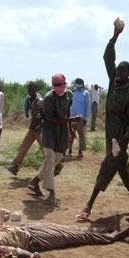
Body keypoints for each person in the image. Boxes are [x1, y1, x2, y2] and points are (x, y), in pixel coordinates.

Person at [75, 21, 129, 221]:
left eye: (123, 72)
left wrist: (124, 140)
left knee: (107, 166)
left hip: (119, 140)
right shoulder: (114, 83)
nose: (119, 74)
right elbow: (107, 57)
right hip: (110, 136)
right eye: (118, 71)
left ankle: (89, 205)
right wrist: (115, 36)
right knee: (122, 169)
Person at [0, 221, 129, 258]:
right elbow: (13, 251)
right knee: (74, 237)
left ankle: (104, 229)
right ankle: (112, 237)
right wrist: (30, 256)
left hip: (28, 227)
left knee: (68, 229)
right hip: (34, 240)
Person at [28, 73, 79, 205]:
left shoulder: (69, 95)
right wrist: (71, 120)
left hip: (62, 131)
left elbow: (67, 111)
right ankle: (51, 192)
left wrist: (70, 128)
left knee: (57, 158)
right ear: (52, 86)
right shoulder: (48, 98)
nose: (58, 87)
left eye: (60, 84)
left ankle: (34, 182)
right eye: (55, 85)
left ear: (64, 83)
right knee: (50, 158)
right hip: (49, 130)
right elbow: (50, 119)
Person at [7, 81, 43, 175]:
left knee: (45, 149)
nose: (30, 91)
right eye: (29, 90)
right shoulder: (30, 99)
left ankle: (57, 166)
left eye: (32, 90)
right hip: (33, 127)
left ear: (36, 90)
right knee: (23, 147)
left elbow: (44, 115)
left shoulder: (40, 100)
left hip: (39, 129)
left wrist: (41, 125)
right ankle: (15, 166)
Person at [68, 78, 90, 158]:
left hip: (81, 118)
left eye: (79, 83)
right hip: (72, 117)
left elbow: (87, 106)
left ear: (83, 83)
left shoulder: (86, 93)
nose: (78, 84)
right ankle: (69, 150)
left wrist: (85, 118)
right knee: (71, 134)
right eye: (77, 82)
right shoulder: (72, 92)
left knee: (81, 135)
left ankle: (80, 151)